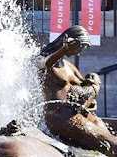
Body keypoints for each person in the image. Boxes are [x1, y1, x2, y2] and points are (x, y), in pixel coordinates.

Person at [39, 25, 117, 156]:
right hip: (61, 116)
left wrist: (93, 84)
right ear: (69, 42)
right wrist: (62, 50)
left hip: (81, 113)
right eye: (79, 48)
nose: (79, 53)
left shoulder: (70, 66)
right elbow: (47, 64)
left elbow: (84, 85)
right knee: (112, 145)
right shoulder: (42, 61)